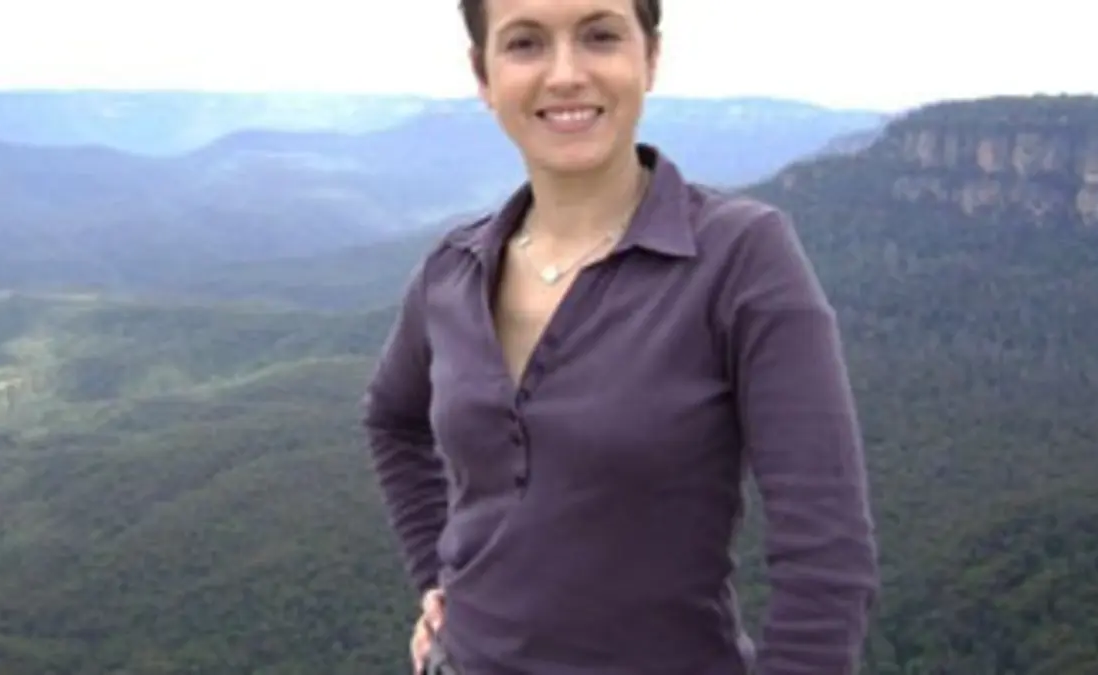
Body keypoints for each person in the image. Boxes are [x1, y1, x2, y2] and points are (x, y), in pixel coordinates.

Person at [361, 0, 880, 673]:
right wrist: (437, 576)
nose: (565, 74)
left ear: (650, 57)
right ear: (484, 75)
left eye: (600, 35)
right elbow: (391, 419)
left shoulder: (739, 256)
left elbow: (826, 556)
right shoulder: (452, 270)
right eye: (525, 43)